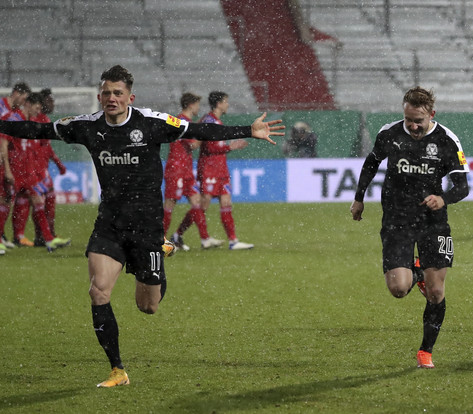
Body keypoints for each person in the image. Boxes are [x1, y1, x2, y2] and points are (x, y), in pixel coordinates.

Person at [0, 65, 284, 387]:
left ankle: (161, 252)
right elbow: (36, 131)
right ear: (99, 96)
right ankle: (117, 370)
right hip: (109, 223)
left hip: (147, 227)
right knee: (98, 292)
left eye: (118, 93)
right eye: (106, 93)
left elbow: (198, 132)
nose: (111, 98)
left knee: (147, 306)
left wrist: (248, 129)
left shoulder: (151, 123)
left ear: (129, 97)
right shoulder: (86, 127)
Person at [350, 87, 469, 369]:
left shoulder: (447, 140)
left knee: (436, 293)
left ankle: (425, 351)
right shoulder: (389, 133)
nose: (413, 126)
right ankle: (416, 272)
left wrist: (443, 198)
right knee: (399, 289)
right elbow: (371, 163)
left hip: (433, 222)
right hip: (397, 220)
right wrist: (359, 198)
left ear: (431, 114)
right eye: (408, 120)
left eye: (419, 120)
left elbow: (462, 186)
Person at [1, 92, 69, 251]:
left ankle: (48, 239)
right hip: (15, 170)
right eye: (36, 108)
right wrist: (8, 170)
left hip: (27, 171)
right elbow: (3, 143)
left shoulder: (30, 121)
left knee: (38, 201)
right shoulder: (14, 119)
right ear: (28, 104)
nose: (38, 112)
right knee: (5, 203)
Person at [164, 93, 222, 251]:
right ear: (190, 105)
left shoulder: (187, 121)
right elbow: (193, 145)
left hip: (186, 170)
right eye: (197, 104)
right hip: (176, 170)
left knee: (197, 202)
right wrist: (206, 132)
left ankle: (204, 239)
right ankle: (159, 241)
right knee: (170, 204)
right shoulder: (181, 121)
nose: (198, 107)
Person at [197, 91, 254, 250]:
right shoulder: (209, 121)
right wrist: (231, 146)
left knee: (226, 202)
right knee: (202, 205)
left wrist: (229, 146)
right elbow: (209, 147)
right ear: (219, 103)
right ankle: (180, 235)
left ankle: (233, 241)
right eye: (226, 102)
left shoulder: (217, 122)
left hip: (220, 170)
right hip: (209, 169)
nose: (227, 104)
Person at [0, 82, 31, 248]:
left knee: (5, 198)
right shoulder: (2, 107)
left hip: (4, 157)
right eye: (23, 98)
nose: (23, 102)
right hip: (2, 157)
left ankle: (2, 235)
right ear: (17, 93)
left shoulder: (13, 113)